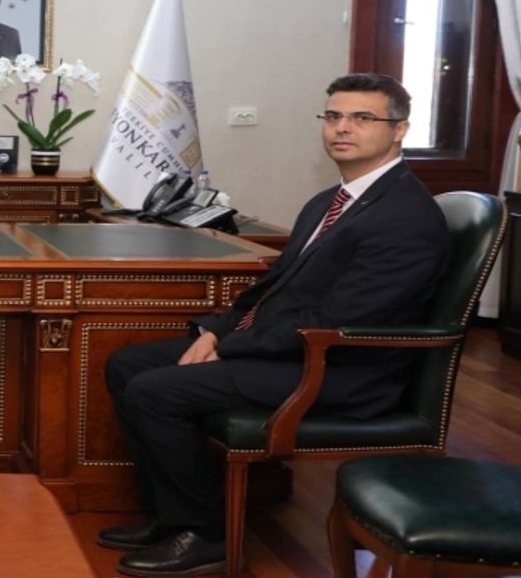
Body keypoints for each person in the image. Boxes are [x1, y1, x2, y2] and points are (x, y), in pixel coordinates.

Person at [99, 73, 450, 577]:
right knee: (128, 365)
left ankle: (206, 534)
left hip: (339, 368)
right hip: (290, 349)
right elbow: (273, 287)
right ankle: (169, 517)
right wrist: (217, 331)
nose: (342, 128)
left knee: (156, 391)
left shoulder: (405, 216)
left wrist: (233, 347)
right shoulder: (331, 201)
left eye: (362, 118)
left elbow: (342, 319)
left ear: (399, 130)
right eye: (334, 116)